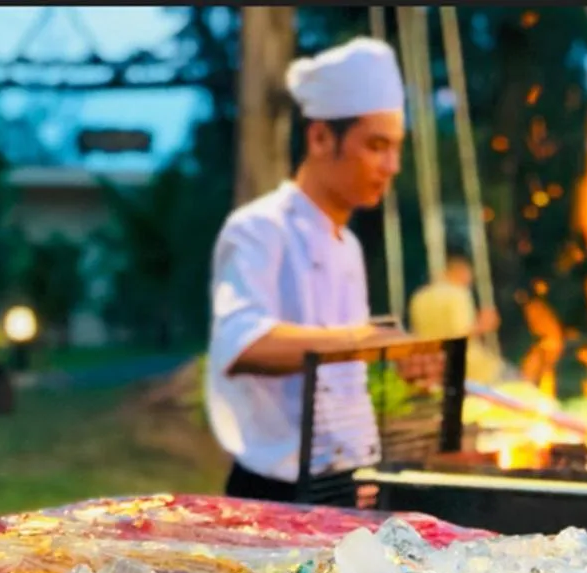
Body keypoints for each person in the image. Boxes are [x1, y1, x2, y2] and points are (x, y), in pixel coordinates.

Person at [206, 37, 431, 504]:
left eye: (396, 148)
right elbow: (243, 343)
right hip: (274, 494)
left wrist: (399, 358)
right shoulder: (257, 229)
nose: (392, 166)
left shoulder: (347, 245)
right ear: (321, 138)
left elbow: (341, 382)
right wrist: (363, 342)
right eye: (376, 145)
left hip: (346, 485)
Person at [407, 252, 503, 384]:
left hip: (433, 369)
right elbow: (459, 334)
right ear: (461, 272)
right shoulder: (458, 294)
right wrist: (483, 324)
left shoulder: (419, 296)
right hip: (468, 367)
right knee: (515, 379)